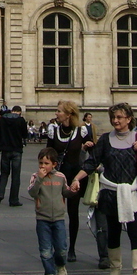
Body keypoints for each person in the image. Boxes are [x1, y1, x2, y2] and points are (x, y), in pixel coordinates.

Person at [71, 103, 137, 275]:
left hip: (132, 193)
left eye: (119, 117)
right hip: (110, 192)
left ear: (128, 119)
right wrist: (77, 179)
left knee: (135, 233)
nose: (115, 121)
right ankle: (115, 268)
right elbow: (92, 162)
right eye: (113, 118)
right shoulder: (106, 140)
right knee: (113, 232)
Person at [44, 100, 92, 262]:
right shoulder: (54, 131)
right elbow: (48, 154)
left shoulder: (83, 131)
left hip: (74, 178)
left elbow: (93, 154)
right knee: (53, 213)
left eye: (59, 111)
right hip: (57, 177)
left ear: (68, 114)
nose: (56, 114)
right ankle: (55, 245)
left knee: (73, 212)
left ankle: (71, 248)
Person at [28, 147, 71, 275]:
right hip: (42, 218)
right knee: (45, 250)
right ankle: (49, 274)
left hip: (58, 217)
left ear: (54, 164)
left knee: (61, 248)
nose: (42, 166)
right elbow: (33, 193)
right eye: (40, 163)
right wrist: (39, 179)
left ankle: (60, 264)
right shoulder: (36, 177)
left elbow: (65, 192)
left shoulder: (61, 177)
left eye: (46, 163)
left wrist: (73, 191)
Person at [0, 105, 28, 207]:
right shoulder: (21, 120)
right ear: (19, 112)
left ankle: (0, 193)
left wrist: (0, 145)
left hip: (5, 150)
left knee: (4, 173)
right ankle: (13, 199)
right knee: (16, 176)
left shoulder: (2, 120)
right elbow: (25, 135)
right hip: (17, 150)